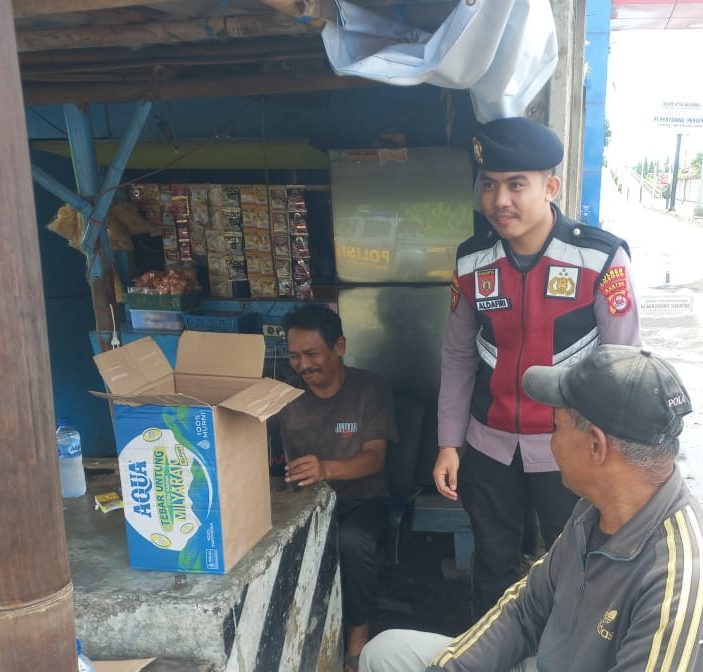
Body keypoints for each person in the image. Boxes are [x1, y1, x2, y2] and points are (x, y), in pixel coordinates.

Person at [361, 344, 703, 671]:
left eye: (555, 427)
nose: (550, 442)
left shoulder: (678, 578)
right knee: (385, 653)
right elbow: (527, 608)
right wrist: (450, 667)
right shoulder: (593, 512)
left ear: (596, 446)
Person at [433, 116, 642, 615]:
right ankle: (494, 650)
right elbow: (458, 356)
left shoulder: (600, 258)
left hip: (571, 448)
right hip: (489, 446)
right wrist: (448, 444)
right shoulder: (472, 261)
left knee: (579, 567)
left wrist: (616, 457)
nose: (499, 200)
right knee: (493, 566)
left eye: (516, 184)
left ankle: (567, 650)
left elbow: (624, 368)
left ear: (550, 188)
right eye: (489, 185)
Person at [277, 303, 397, 672]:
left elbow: (375, 458)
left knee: (351, 542)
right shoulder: (283, 396)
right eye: (294, 356)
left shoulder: (370, 388)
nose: (303, 365)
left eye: (312, 353)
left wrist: (325, 468)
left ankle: (357, 638)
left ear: (339, 346)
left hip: (363, 501)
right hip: (304, 504)